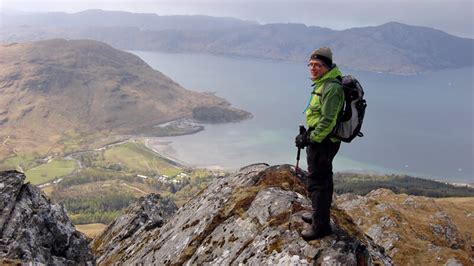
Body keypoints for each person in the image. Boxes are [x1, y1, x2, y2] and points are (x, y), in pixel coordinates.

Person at [295, 47, 344, 241]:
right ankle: (318, 216)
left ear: (327, 66)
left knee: (319, 183)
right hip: (320, 139)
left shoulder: (332, 88)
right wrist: (309, 134)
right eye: (311, 65)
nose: (313, 68)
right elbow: (319, 117)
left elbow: (328, 121)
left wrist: (310, 138)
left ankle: (321, 226)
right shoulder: (323, 83)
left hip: (324, 142)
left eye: (318, 65)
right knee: (320, 180)